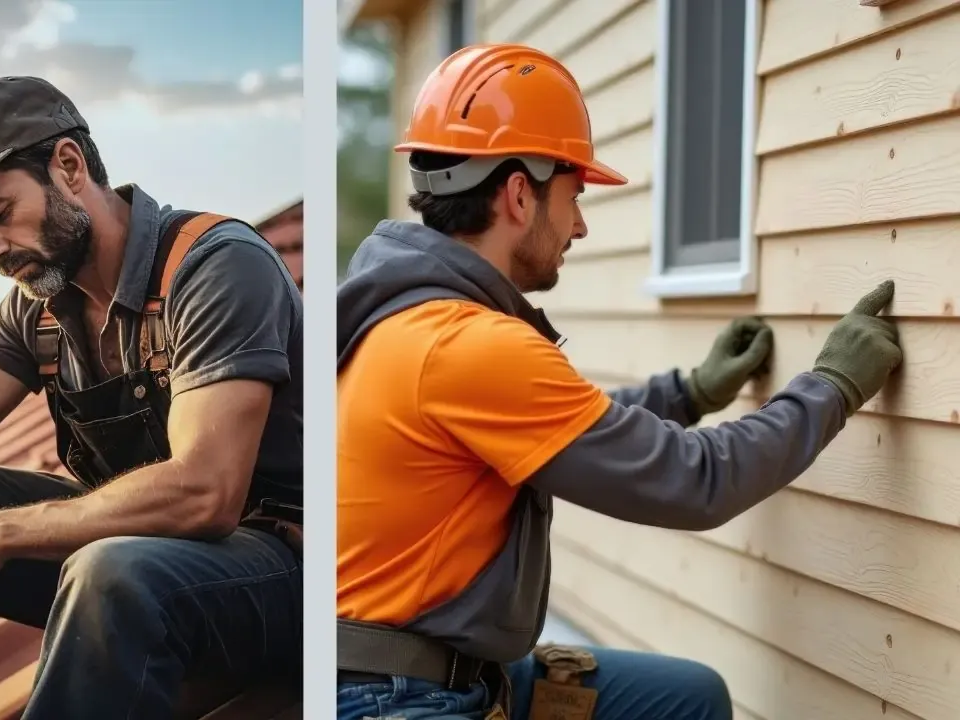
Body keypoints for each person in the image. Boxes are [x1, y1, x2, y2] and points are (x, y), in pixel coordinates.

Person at [334, 44, 902, 720]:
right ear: (519, 193)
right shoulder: (463, 345)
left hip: (430, 664)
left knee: (685, 699)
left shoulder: (413, 315)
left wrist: (690, 392)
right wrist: (832, 385)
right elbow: (696, 481)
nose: (579, 224)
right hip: (395, 697)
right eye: (573, 196)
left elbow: (567, 429)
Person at [0, 76, 304, 719]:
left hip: (282, 576)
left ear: (69, 166)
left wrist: (6, 530)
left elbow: (206, 493)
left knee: (107, 570)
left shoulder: (214, 266)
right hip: (138, 563)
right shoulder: (38, 308)